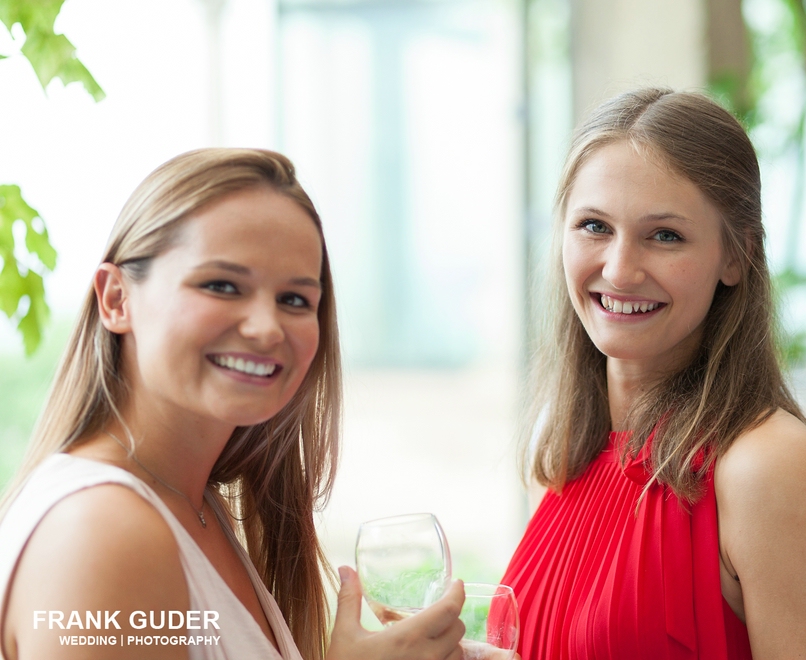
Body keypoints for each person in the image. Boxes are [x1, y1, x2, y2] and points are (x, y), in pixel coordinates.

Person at [0, 148, 466, 660]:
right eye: (221, 285)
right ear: (116, 299)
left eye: (294, 299)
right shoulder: (103, 528)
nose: (266, 328)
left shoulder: (197, 507)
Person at [500, 89, 806, 658]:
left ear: (735, 257)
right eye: (594, 226)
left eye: (664, 235)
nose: (620, 269)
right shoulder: (564, 452)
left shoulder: (768, 469)